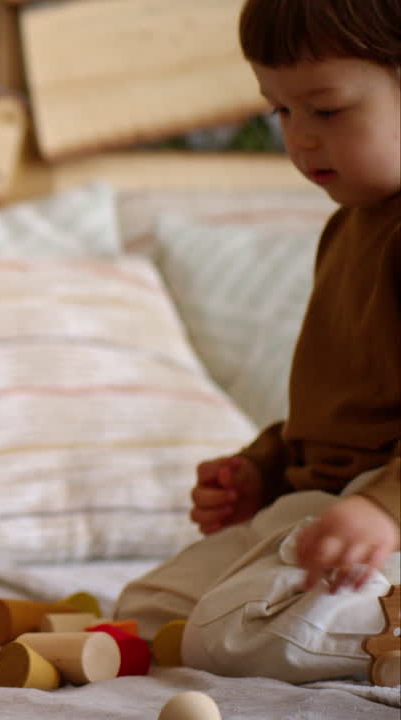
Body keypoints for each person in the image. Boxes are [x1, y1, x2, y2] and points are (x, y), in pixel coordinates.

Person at [115, 0, 400, 685]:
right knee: (142, 616)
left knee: (226, 636)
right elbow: (343, 412)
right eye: (281, 112)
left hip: (385, 511)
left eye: (326, 110)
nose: (299, 139)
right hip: (330, 509)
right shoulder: (350, 227)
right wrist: (262, 468)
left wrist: (380, 507)